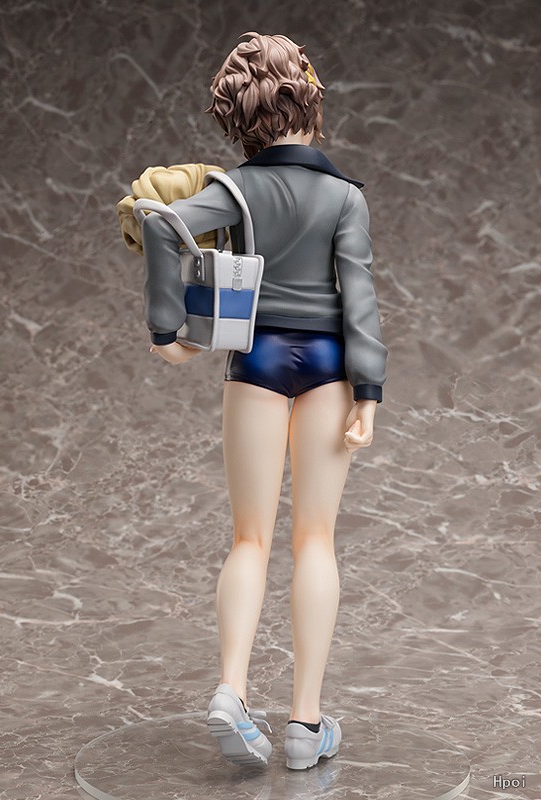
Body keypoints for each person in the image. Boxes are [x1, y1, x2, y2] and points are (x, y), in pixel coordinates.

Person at [140, 31, 388, 770]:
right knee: (316, 539)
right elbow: (360, 299)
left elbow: (161, 224)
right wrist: (368, 389)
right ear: (308, 99)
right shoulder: (345, 196)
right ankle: (305, 725)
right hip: (328, 367)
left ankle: (232, 691)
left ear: (239, 116)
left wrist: (170, 332)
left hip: (255, 360)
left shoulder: (237, 189)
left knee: (249, 538)